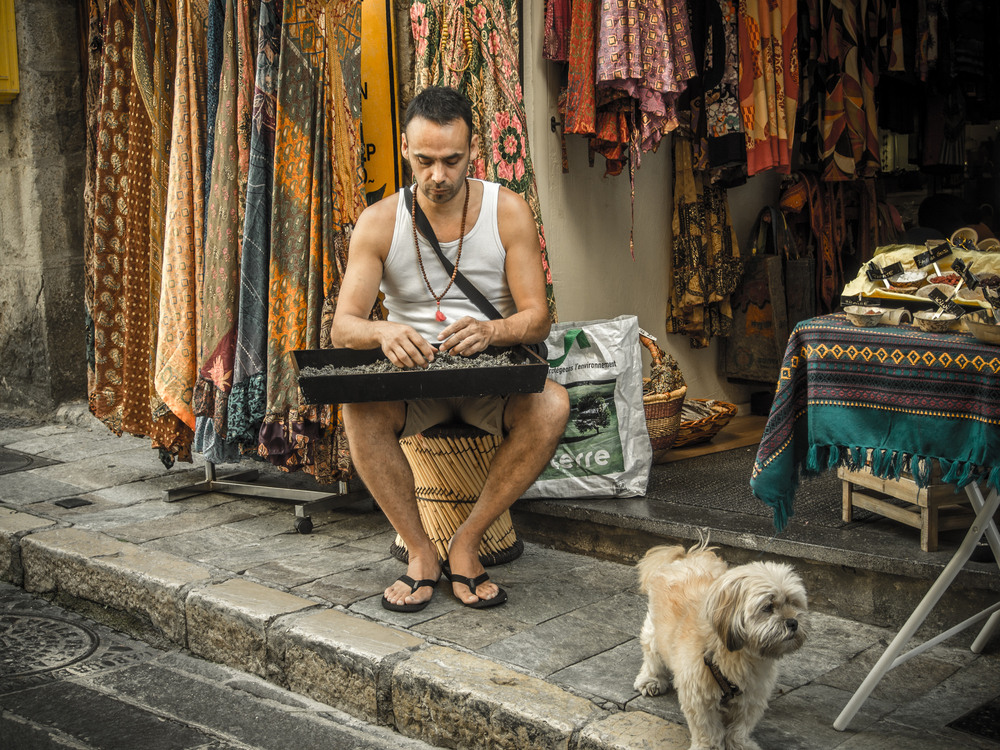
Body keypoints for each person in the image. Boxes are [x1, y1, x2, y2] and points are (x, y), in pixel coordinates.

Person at [330, 87, 569, 612]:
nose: (437, 175)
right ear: (404, 149)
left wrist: (492, 331)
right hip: (414, 380)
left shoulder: (507, 211)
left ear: (473, 149)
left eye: (452, 160)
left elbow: (537, 317)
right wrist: (384, 333)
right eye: (424, 160)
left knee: (553, 403)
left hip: (492, 379)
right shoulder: (378, 222)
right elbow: (343, 327)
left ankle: (466, 541)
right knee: (358, 409)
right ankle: (420, 551)